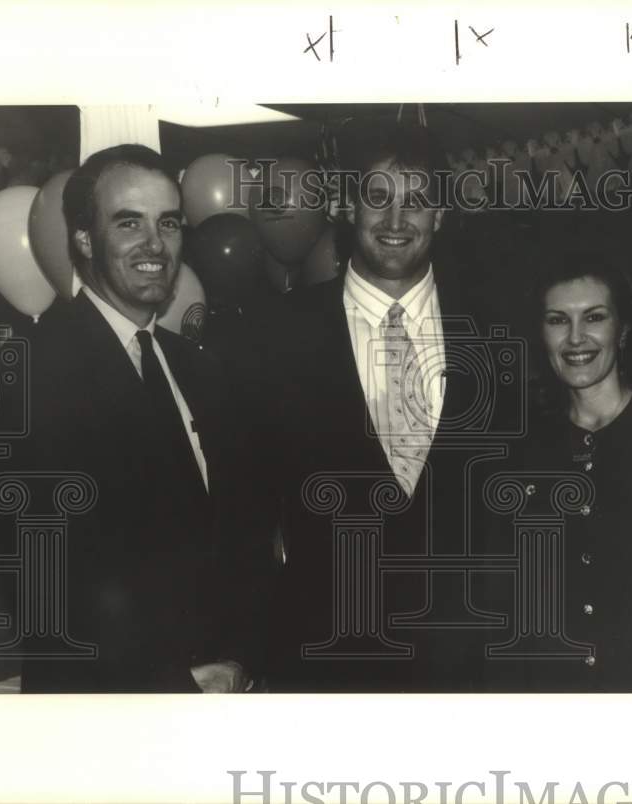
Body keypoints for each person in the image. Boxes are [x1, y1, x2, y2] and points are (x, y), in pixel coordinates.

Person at [246, 122, 519, 691]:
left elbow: (508, 500)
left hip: (464, 667)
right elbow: (245, 513)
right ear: (348, 206)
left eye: (417, 201)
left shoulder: (496, 327)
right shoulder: (276, 334)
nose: (397, 220)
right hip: (321, 664)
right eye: (378, 198)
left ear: (440, 214)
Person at [17, 144, 259, 692]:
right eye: (130, 223)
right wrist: (173, 685)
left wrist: (242, 661)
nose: (155, 245)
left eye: (168, 224)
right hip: (107, 719)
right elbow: (48, 588)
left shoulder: (201, 368)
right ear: (83, 239)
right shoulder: (31, 374)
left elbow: (242, 535)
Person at [478, 244, 632, 692]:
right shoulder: (514, 449)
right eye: (558, 320)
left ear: (623, 328)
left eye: (594, 317)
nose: (576, 338)